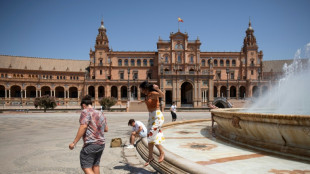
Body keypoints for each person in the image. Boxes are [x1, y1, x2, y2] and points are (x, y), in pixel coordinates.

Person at [69, 95, 108, 174]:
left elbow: (83, 126)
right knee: (95, 165)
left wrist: (74, 142)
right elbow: (106, 129)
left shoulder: (85, 112)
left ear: (83, 105)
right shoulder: (100, 113)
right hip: (101, 144)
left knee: (86, 166)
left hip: (91, 144)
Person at [138, 81, 165, 166]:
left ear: (145, 88)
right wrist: (142, 102)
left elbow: (162, 95)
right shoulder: (147, 95)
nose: (141, 91)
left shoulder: (153, 93)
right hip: (151, 117)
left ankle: (162, 152)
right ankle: (150, 157)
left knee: (151, 135)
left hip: (157, 116)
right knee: (150, 138)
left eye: (141, 89)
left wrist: (158, 89)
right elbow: (149, 100)